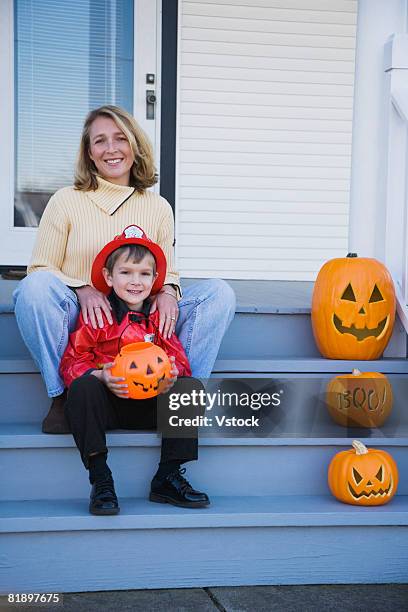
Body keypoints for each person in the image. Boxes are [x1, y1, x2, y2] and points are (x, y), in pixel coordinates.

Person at [13, 105, 236, 433]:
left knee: (219, 293)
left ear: (135, 144)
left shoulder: (158, 206)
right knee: (34, 289)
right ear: (89, 153)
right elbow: (40, 267)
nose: (111, 148)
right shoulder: (66, 200)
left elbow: (167, 271)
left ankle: (179, 396)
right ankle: (62, 396)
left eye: (120, 138)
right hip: (85, 317)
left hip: (140, 313)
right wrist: (83, 289)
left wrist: (169, 291)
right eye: (100, 141)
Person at [61, 226, 209, 515]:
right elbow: (71, 361)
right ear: (108, 277)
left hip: (150, 405)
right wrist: (101, 375)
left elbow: (179, 360)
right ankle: (101, 478)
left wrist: (171, 374)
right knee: (82, 386)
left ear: (155, 279)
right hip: (109, 405)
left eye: (143, 274)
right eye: (126, 272)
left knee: (189, 388)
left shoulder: (158, 318)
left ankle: (167, 476)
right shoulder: (98, 318)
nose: (135, 281)